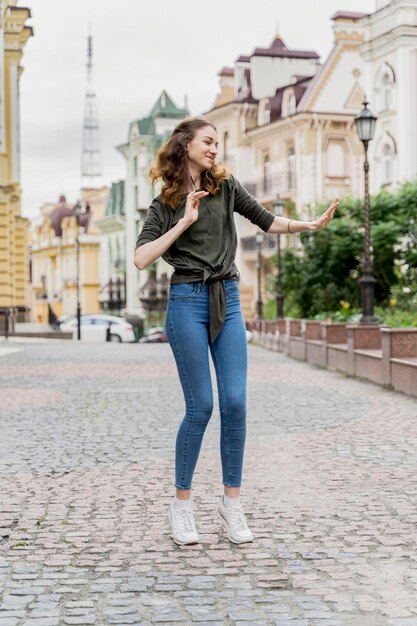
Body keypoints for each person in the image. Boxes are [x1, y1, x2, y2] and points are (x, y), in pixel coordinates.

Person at [134, 116, 338, 546]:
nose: (215, 149)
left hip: (227, 297)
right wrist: (183, 222)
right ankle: (182, 506)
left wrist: (308, 226)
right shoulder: (165, 202)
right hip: (187, 300)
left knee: (236, 402)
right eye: (208, 141)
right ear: (185, 144)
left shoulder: (226, 186)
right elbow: (141, 258)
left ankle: (231, 503)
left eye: (218, 143)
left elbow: (266, 220)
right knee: (201, 406)